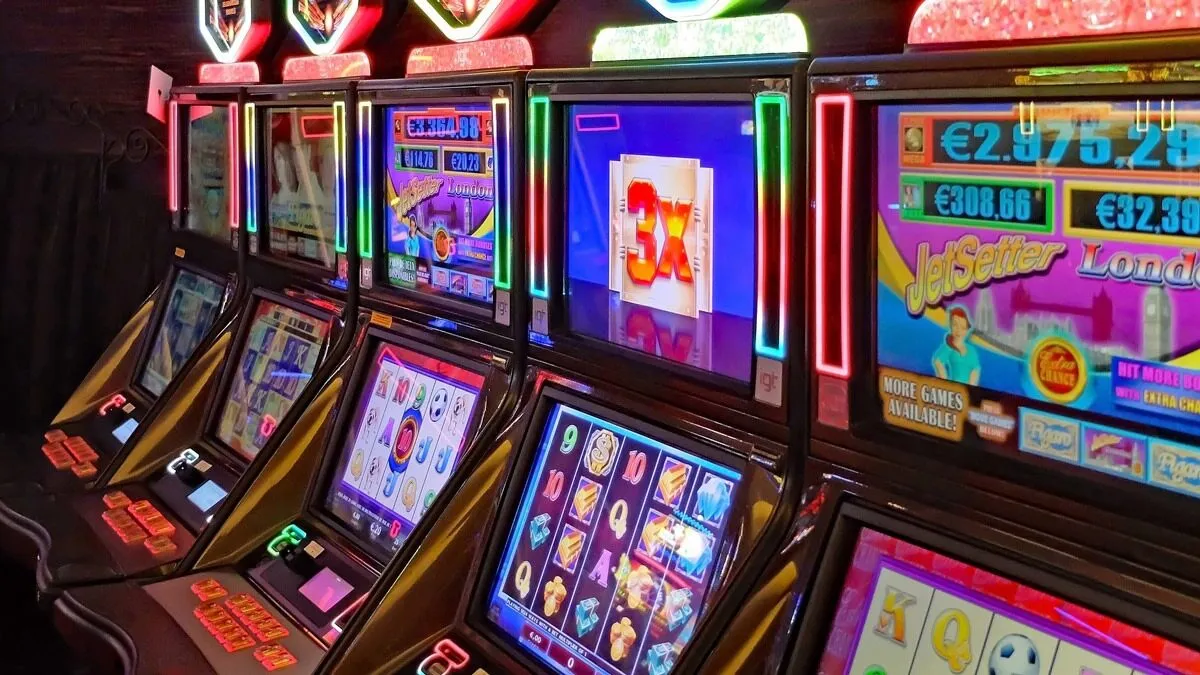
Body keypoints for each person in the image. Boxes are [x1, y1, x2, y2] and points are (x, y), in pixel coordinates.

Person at [932, 305, 981, 385]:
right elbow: (937, 361)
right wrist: (945, 383)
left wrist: (971, 386)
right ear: (950, 326)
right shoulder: (948, 347)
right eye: (955, 325)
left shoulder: (972, 350)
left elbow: (976, 369)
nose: (958, 330)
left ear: (967, 329)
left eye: (963, 327)